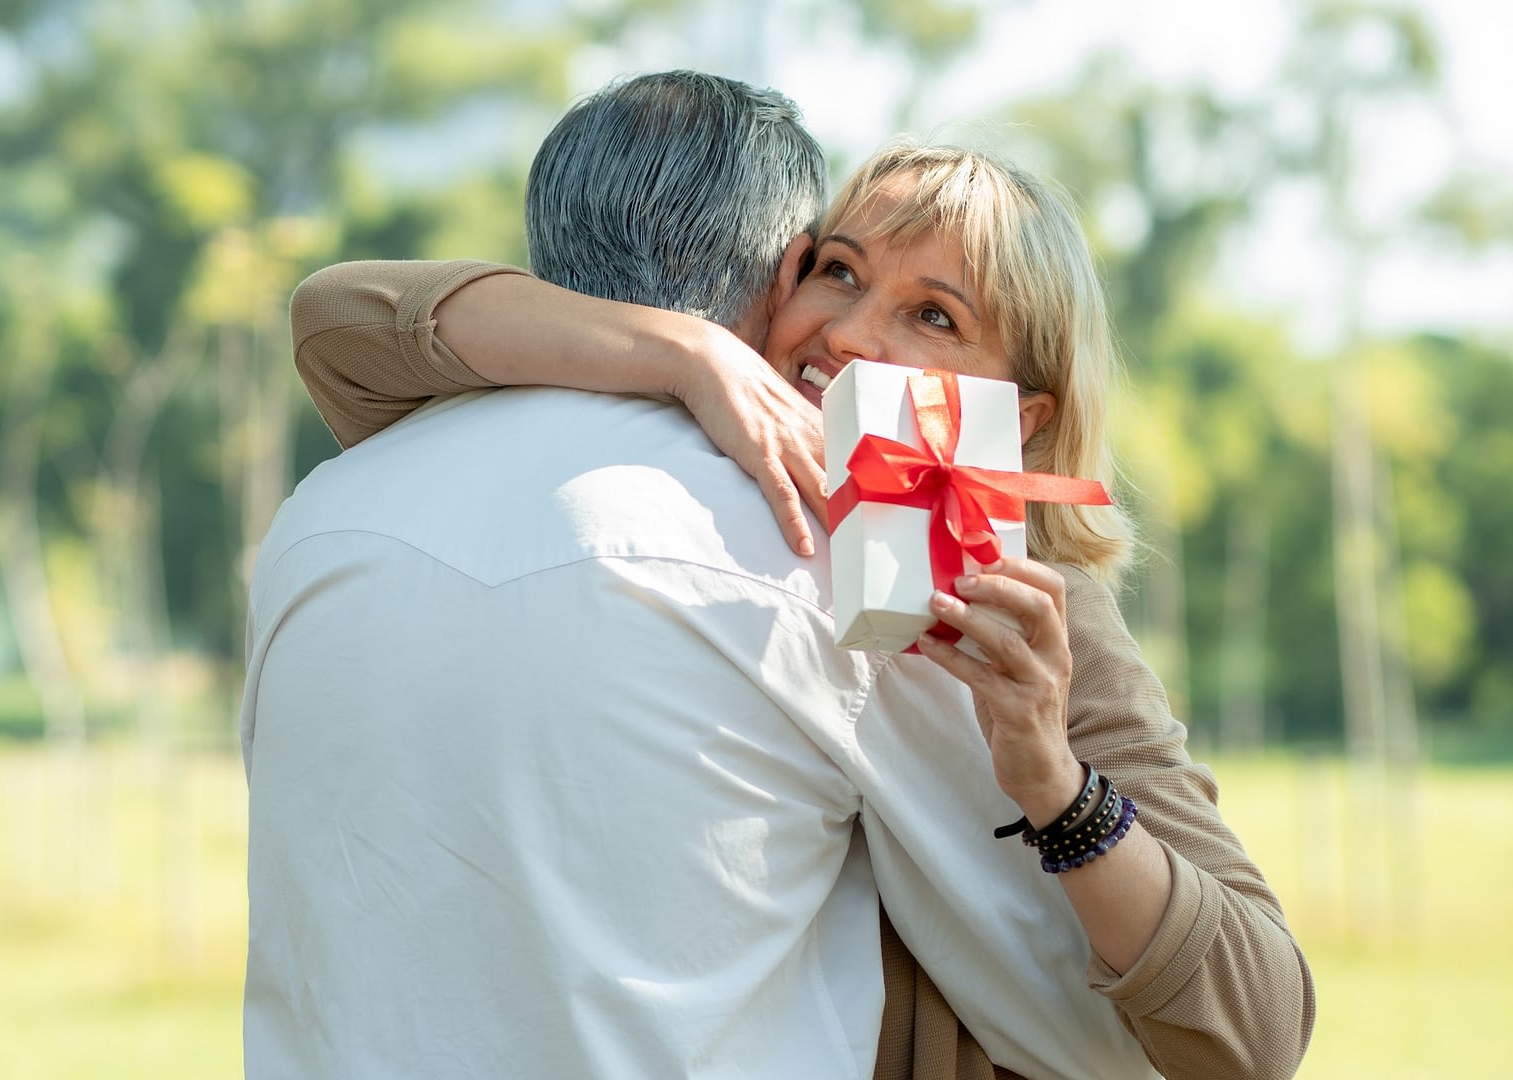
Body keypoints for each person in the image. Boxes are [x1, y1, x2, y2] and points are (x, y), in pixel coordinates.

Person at [251, 73, 1314, 1079]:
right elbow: (341, 316)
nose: (849, 334)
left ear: (1021, 417)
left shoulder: (1018, 595)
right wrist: (687, 352)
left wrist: (1055, 786)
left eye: (933, 316)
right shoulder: (773, 492)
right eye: (836, 273)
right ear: (779, 280)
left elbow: (1254, 1026)